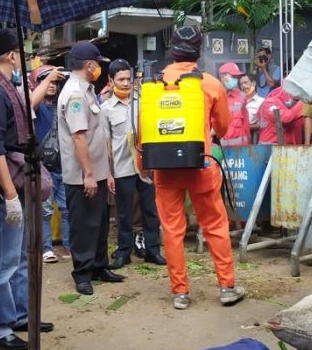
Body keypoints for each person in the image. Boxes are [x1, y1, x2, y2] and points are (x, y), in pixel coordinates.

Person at [151, 25, 245, 310]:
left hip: (164, 167)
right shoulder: (210, 83)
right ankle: (227, 287)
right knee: (215, 225)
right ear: (199, 50)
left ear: (173, 49)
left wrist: (146, 160)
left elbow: (144, 128)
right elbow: (225, 128)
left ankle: (180, 292)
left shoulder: (155, 82)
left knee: (172, 229)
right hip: (201, 165)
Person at [0, 29, 54, 350]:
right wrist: (9, 195)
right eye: (21, 52)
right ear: (12, 56)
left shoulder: (9, 87)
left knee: (22, 255)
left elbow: (26, 109)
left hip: (18, 176)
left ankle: (20, 314)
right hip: (2, 183)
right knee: (3, 259)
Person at [58, 41, 125, 296]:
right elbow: (79, 137)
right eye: (97, 64)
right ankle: (83, 273)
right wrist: (88, 174)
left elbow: (97, 134)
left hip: (96, 173)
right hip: (81, 176)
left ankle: (99, 266)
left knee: (99, 225)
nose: (99, 68)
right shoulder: (75, 93)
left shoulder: (87, 89)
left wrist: (104, 172)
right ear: (88, 65)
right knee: (84, 226)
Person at [101, 58, 165, 269]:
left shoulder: (142, 101)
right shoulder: (106, 109)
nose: (126, 83)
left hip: (146, 167)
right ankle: (124, 251)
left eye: (128, 78)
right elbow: (106, 144)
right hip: (121, 167)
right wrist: (109, 173)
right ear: (111, 80)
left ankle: (153, 250)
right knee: (124, 213)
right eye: (121, 79)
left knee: (150, 210)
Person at [29, 64, 71, 263]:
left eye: (55, 82)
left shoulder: (63, 103)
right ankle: (46, 248)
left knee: (66, 208)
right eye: (46, 81)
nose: (52, 86)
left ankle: (70, 246)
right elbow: (30, 104)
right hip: (43, 166)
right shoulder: (36, 107)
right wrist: (44, 81)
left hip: (64, 165)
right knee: (44, 211)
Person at [218, 62, 250, 146]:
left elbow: (245, 125)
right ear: (222, 77)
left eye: (237, 77)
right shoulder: (216, 96)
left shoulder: (242, 97)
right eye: (233, 76)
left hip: (241, 150)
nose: (236, 79)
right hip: (221, 150)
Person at [239, 73, 264, 143]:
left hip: (254, 141)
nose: (243, 86)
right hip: (238, 141)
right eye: (241, 84)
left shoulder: (261, 102)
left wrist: (246, 127)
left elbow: (263, 124)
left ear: (253, 83)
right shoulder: (238, 102)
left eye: (245, 83)